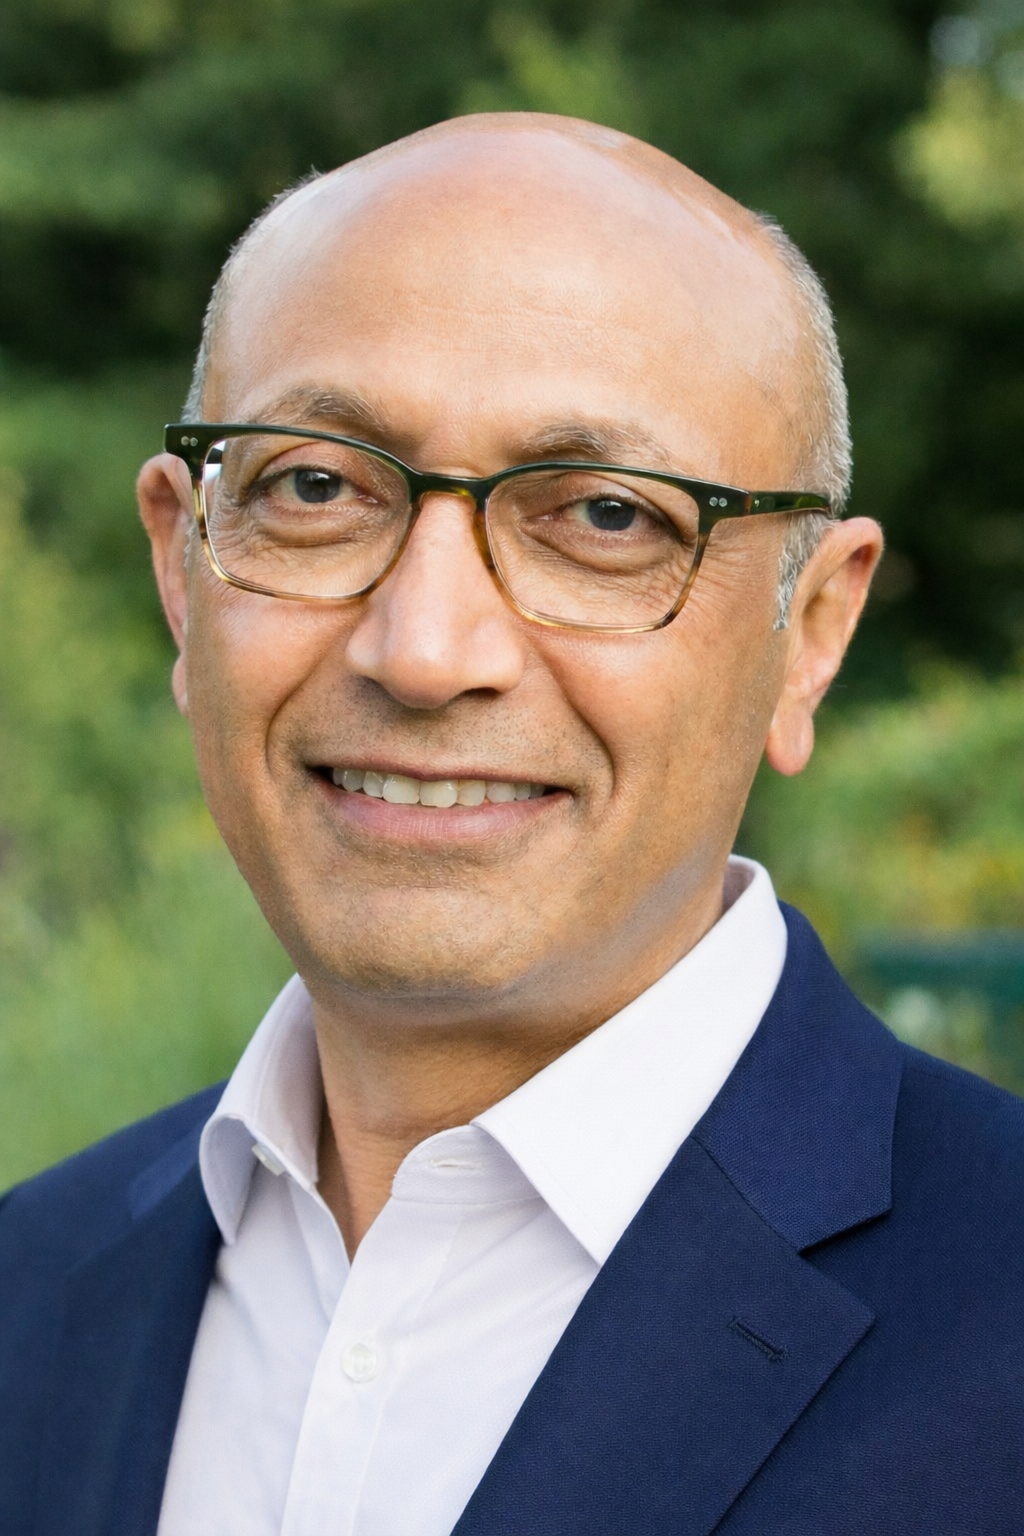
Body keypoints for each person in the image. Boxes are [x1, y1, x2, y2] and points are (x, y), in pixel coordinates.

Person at [1, 113, 1021, 1536]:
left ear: (812, 633)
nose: (425, 650)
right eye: (316, 486)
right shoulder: (30, 1290)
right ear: (184, 571)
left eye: (603, 517)